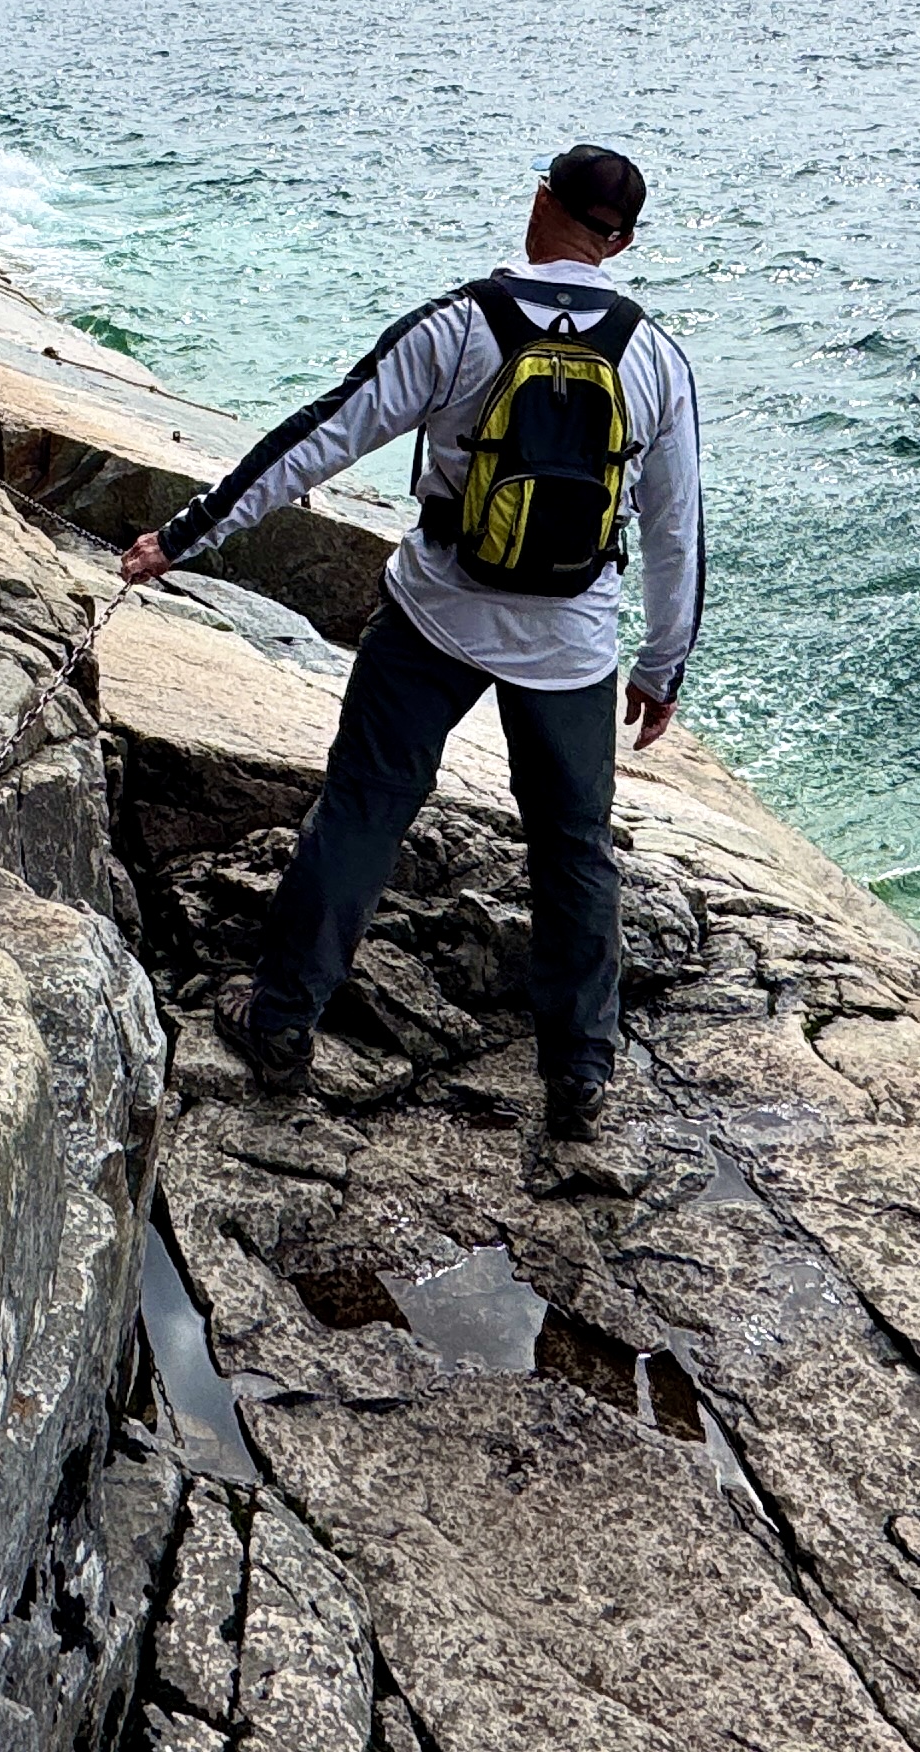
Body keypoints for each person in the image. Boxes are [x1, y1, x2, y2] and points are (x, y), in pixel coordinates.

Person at [119, 143, 705, 1144]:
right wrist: (661, 667)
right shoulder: (653, 357)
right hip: (571, 644)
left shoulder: (461, 324)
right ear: (623, 242)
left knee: (362, 811)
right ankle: (580, 1077)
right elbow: (676, 527)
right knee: (574, 852)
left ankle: (281, 1024)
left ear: (540, 203)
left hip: (436, 613)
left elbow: (325, 433)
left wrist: (182, 537)